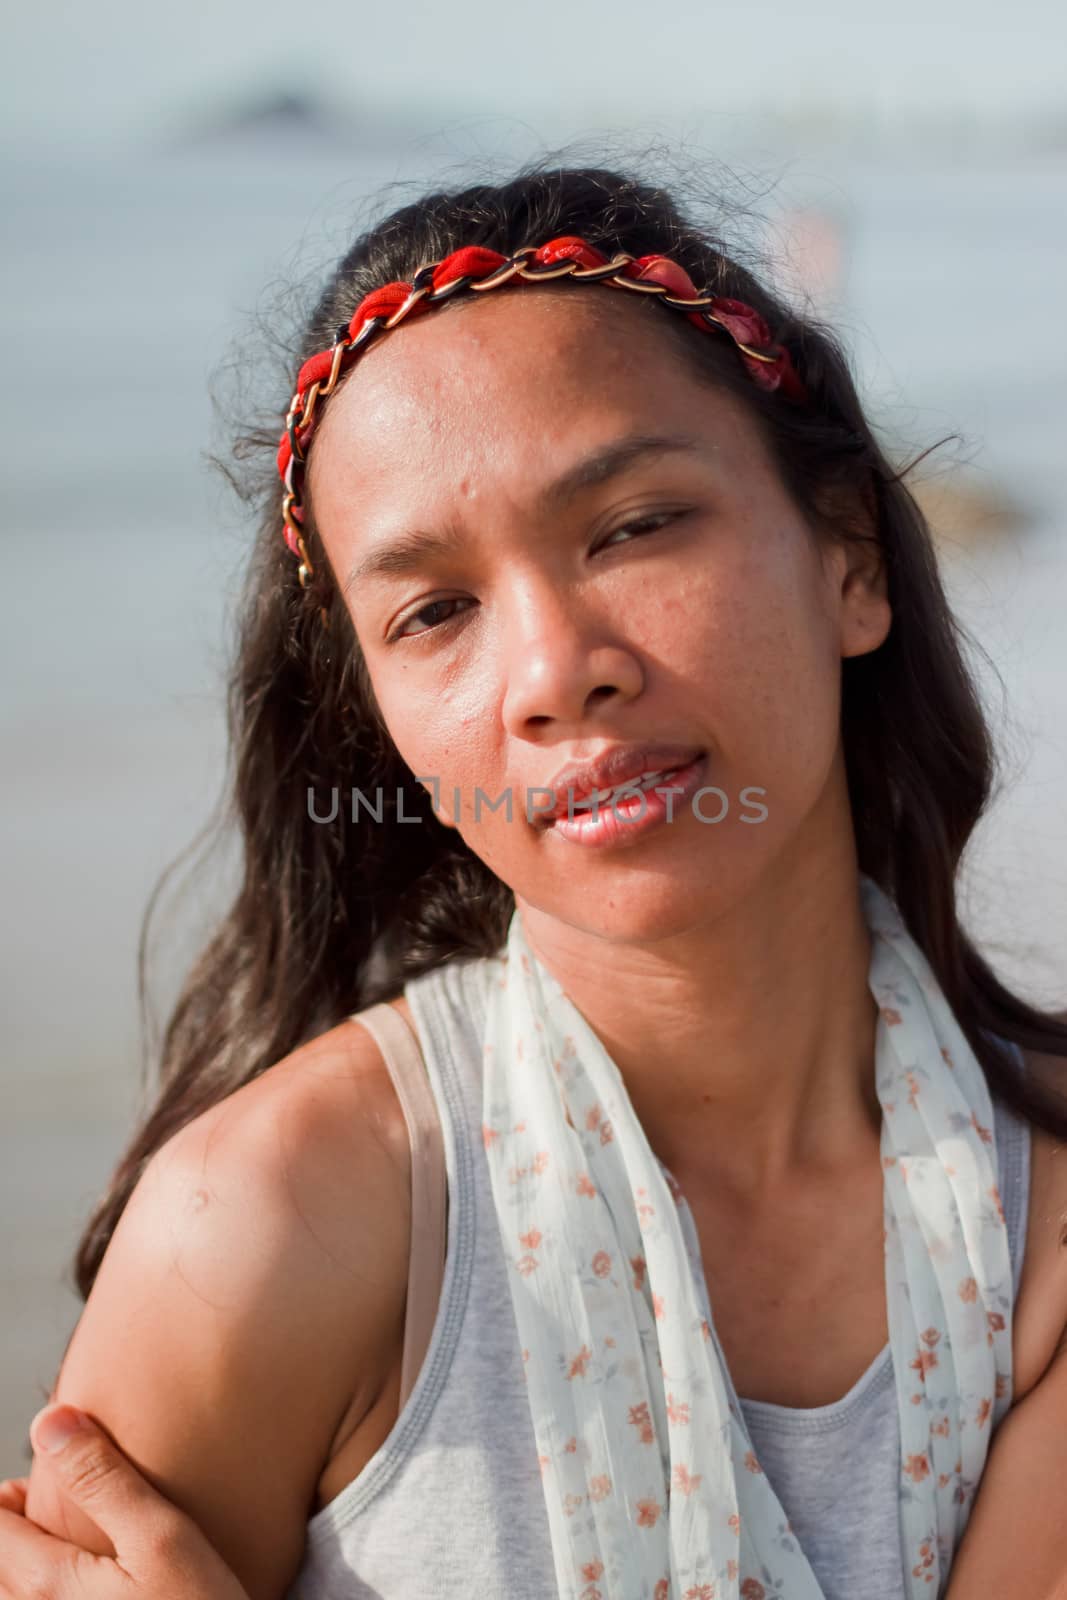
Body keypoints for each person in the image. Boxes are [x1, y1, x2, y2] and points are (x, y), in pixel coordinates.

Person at [6, 160, 1067, 1600]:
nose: (558, 672)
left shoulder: (1043, 1226)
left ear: (854, 561)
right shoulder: (272, 1230)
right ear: (378, 710)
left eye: (634, 526)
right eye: (436, 610)